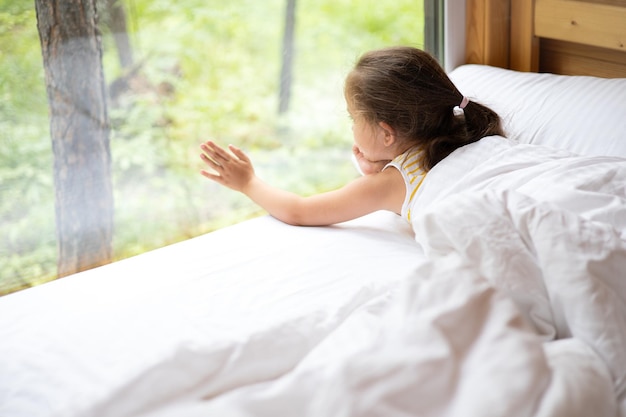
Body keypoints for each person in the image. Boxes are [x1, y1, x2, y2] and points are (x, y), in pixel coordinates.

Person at [199, 46, 504, 226]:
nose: (351, 126)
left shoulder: (391, 184)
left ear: (387, 133)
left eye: (352, 117)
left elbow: (299, 211)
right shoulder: (466, 129)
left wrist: (248, 182)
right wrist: (382, 166)